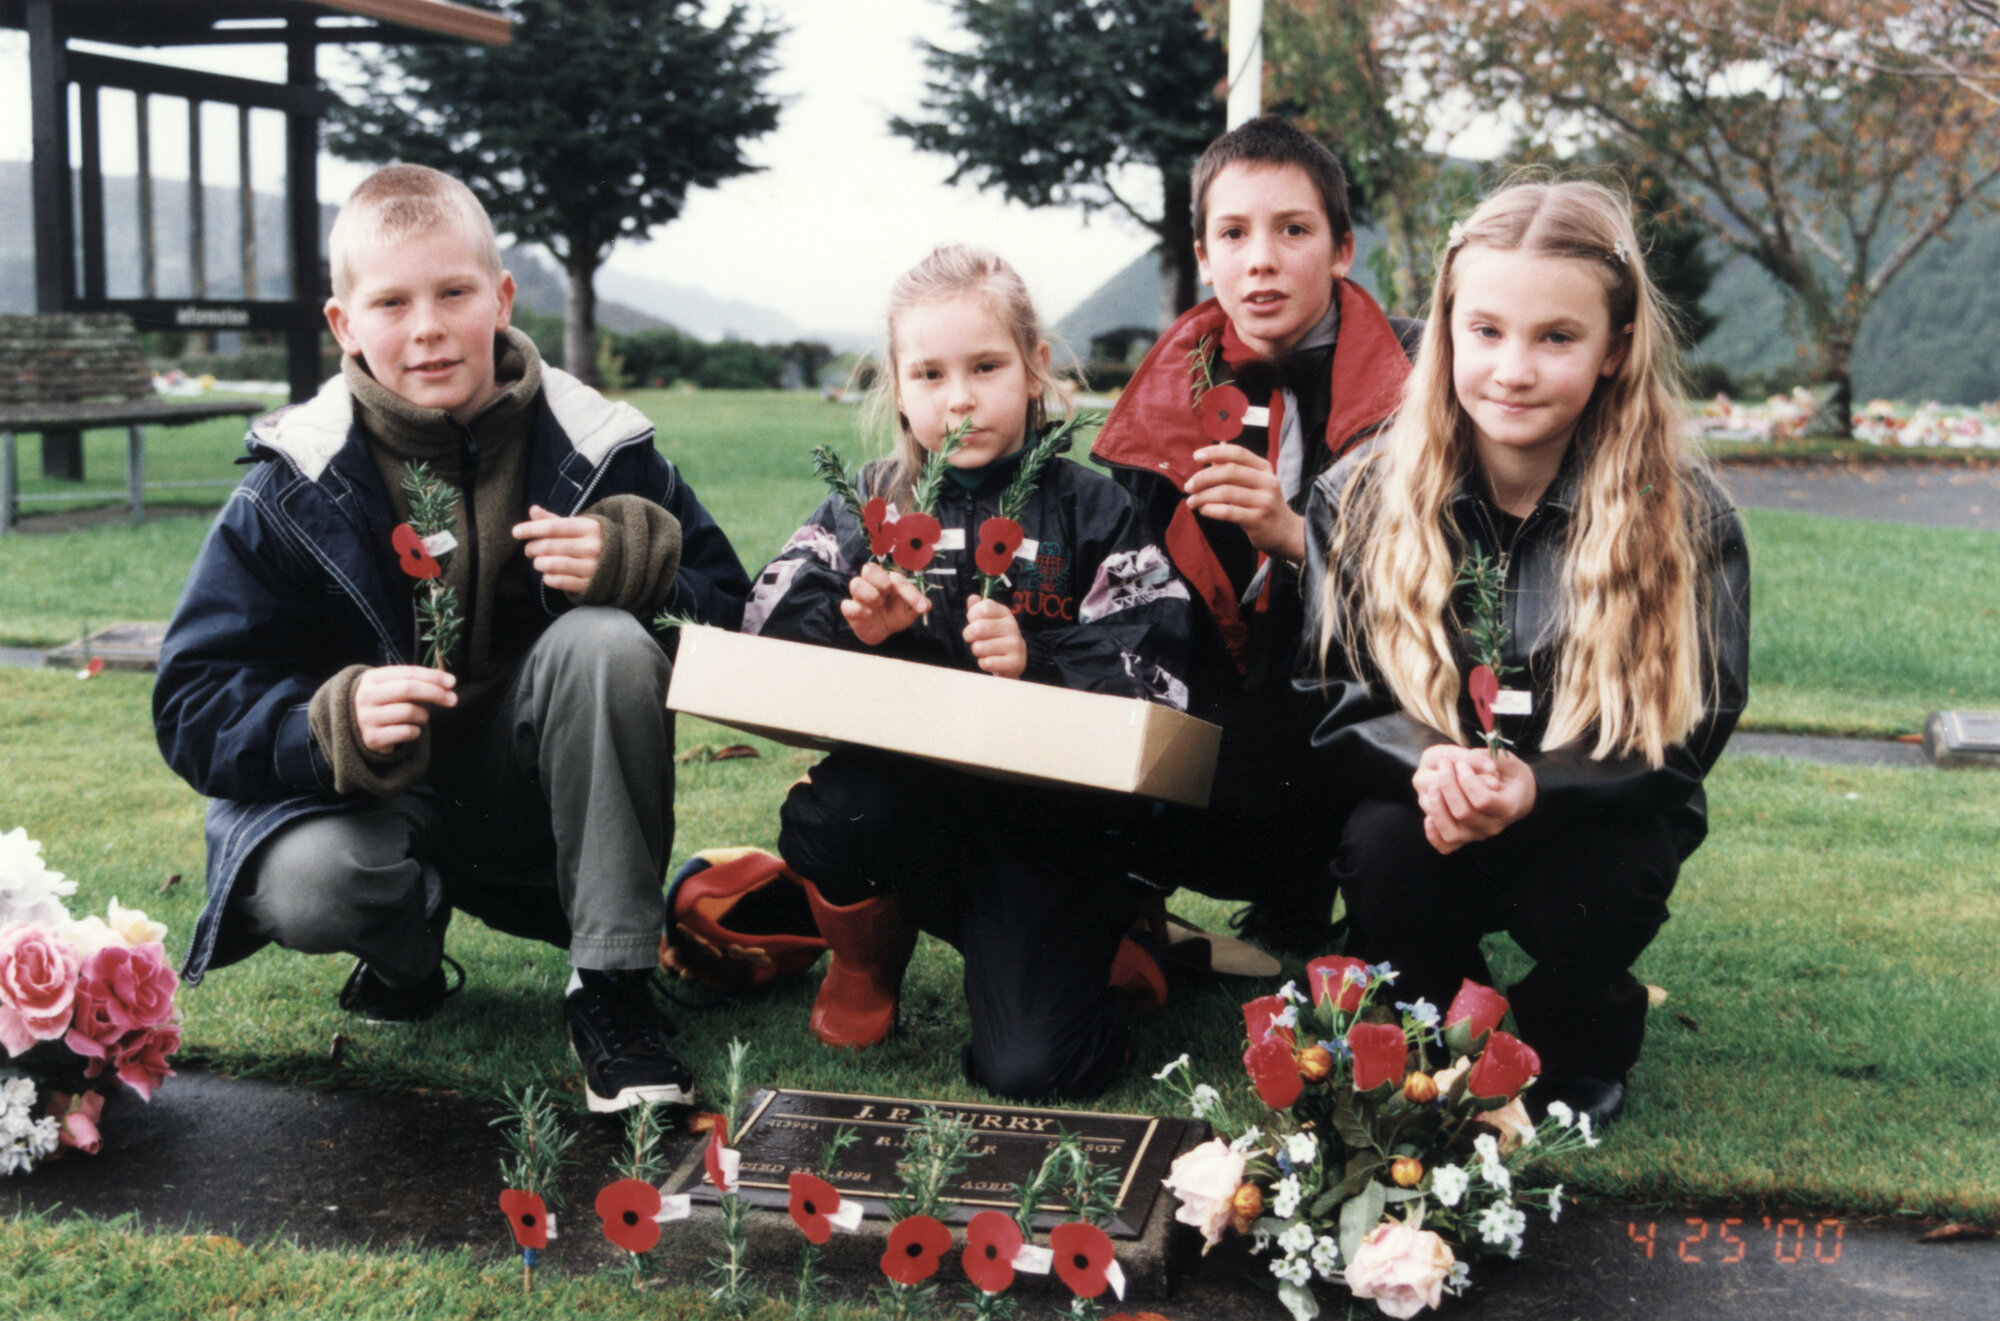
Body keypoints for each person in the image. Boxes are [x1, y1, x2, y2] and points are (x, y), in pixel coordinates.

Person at [153, 165, 749, 1113]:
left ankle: (612, 990)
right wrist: (329, 719)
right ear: (343, 324)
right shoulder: (288, 479)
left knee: (602, 640)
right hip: (374, 812)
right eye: (390, 301)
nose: (426, 327)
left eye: (454, 292)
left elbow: (737, 619)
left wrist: (642, 568)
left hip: (542, 801)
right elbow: (191, 700)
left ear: (502, 299)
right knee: (309, 883)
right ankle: (405, 956)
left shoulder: (603, 445)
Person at [1299, 180, 1750, 1127]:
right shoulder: (1360, 495)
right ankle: (1436, 1010)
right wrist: (1432, 765)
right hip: (1430, 807)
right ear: (1446, 329)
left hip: (1590, 812)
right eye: (1486, 330)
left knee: (1608, 877)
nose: (1512, 368)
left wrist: (1539, 787)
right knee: (1382, 849)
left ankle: (1580, 1018)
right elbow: (1329, 691)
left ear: (1616, 348)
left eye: (1556, 337)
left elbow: (1692, 727)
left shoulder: (1686, 515)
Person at [740, 244, 1192, 1100]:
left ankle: (1093, 941)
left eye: (986, 366)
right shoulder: (870, 502)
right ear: (897, 386)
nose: (960, 398)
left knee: (1030, 1068)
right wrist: (857, 629)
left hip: (1049, 832)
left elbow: (1159, 670)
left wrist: (1040, 662)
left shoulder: (1095, 507)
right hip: (913, 807)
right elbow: (763, 613)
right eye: (930, 374)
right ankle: (866, 965)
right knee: (834, 816)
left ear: (1035, 368)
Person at [1091, 117, 1421, 953]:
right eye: (1233, 233)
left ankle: (1336, 907)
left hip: (1358, 710)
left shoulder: (1423, 386)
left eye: (1294, 230)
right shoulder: (1171, 381)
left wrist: (1295, 535)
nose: (1261, 259)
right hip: (1212, 717)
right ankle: (1122, 904)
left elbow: (1445, 590)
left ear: (1343, 250)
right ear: (1204, 252)